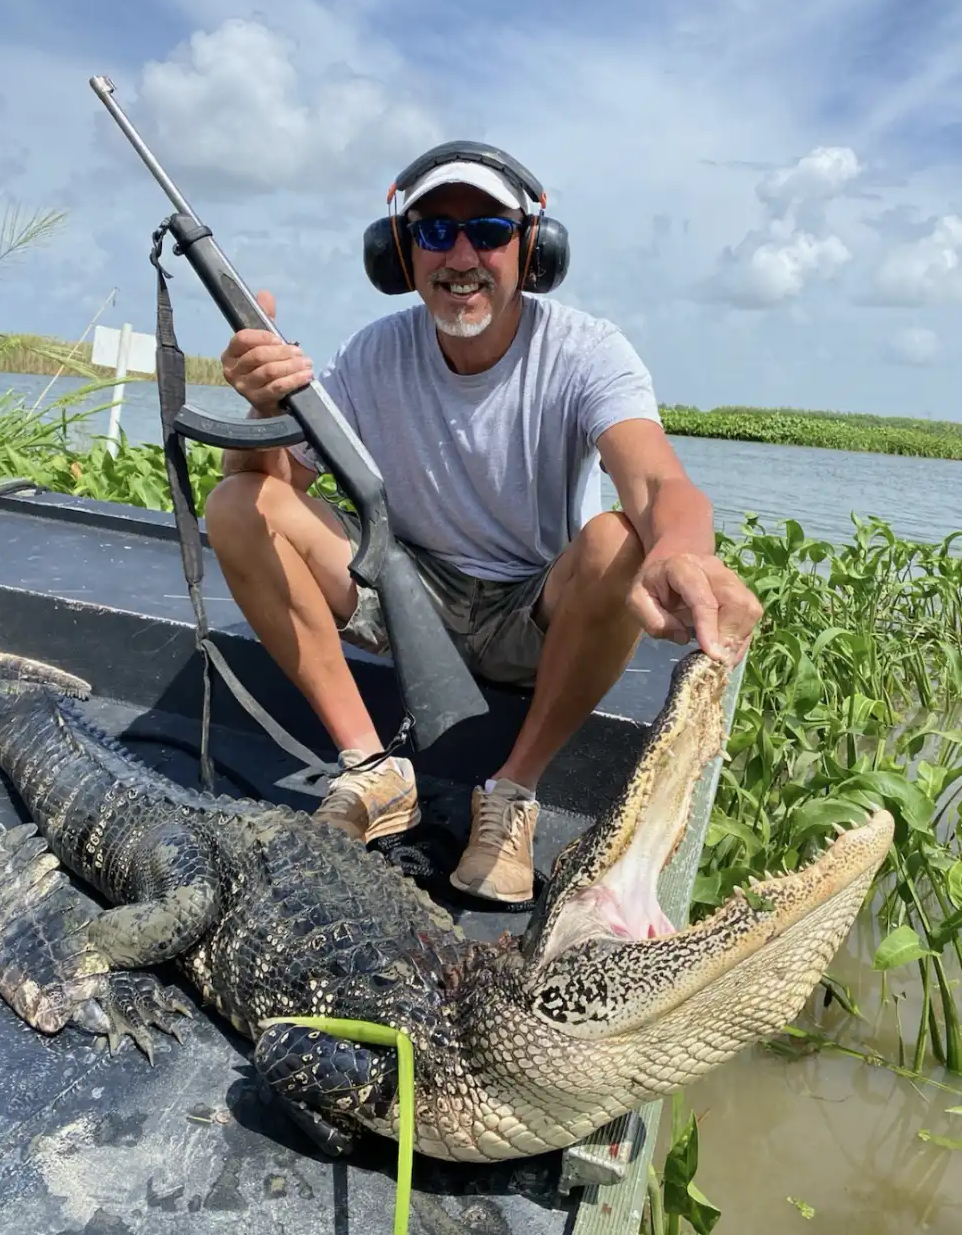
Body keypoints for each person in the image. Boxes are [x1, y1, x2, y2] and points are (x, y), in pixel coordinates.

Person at [204, 141, 763, 904]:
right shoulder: (371, 354)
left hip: (532, 613)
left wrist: (683, 551)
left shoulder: (585, 350)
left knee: (618, 539)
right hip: (403, 592)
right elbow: (271, 486)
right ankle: (369, 768)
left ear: (532, 249)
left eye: (490, 231)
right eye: (435, 231)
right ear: (400, 252)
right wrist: (262, 407)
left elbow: (657, 478)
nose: (461, 256)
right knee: (237, 504)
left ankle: (513, 792)